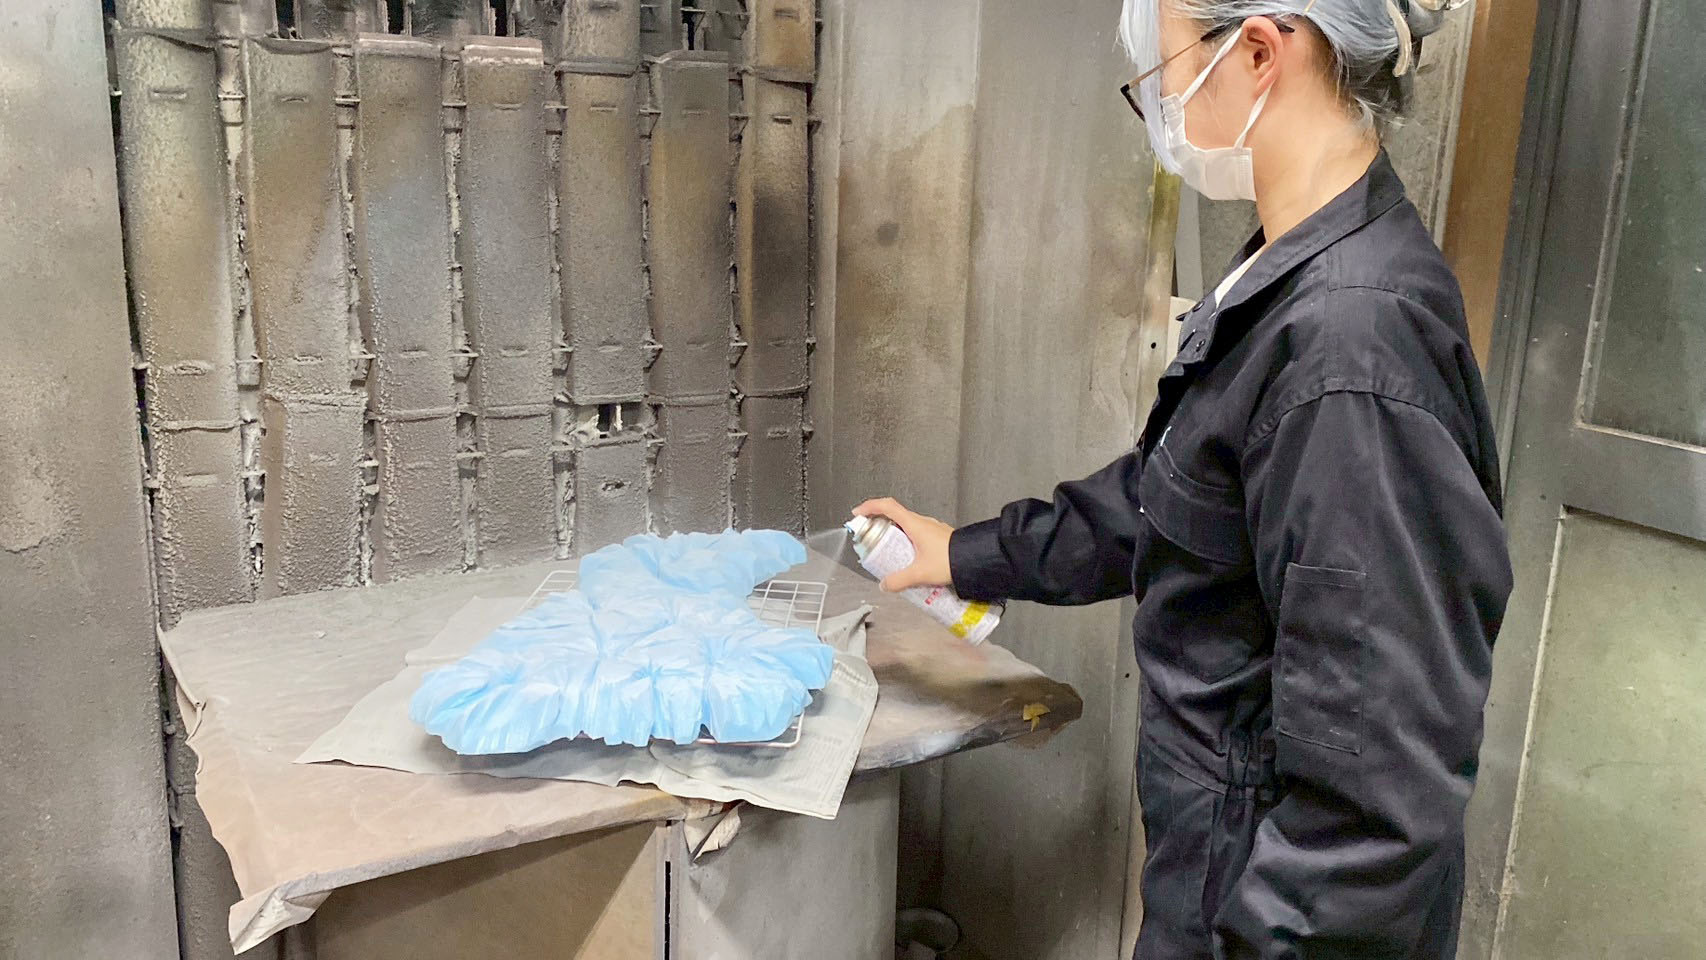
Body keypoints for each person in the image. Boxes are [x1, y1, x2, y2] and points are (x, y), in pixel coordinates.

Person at [855, 0, 1512, 957]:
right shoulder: (1288, 268)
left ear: (1258, 52)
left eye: (1164, 72)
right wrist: (968, 553)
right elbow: (1176, 497)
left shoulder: (1351, 348)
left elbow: (1373, 802)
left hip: (1270, 908)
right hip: (1217, 870)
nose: (1162, 105)